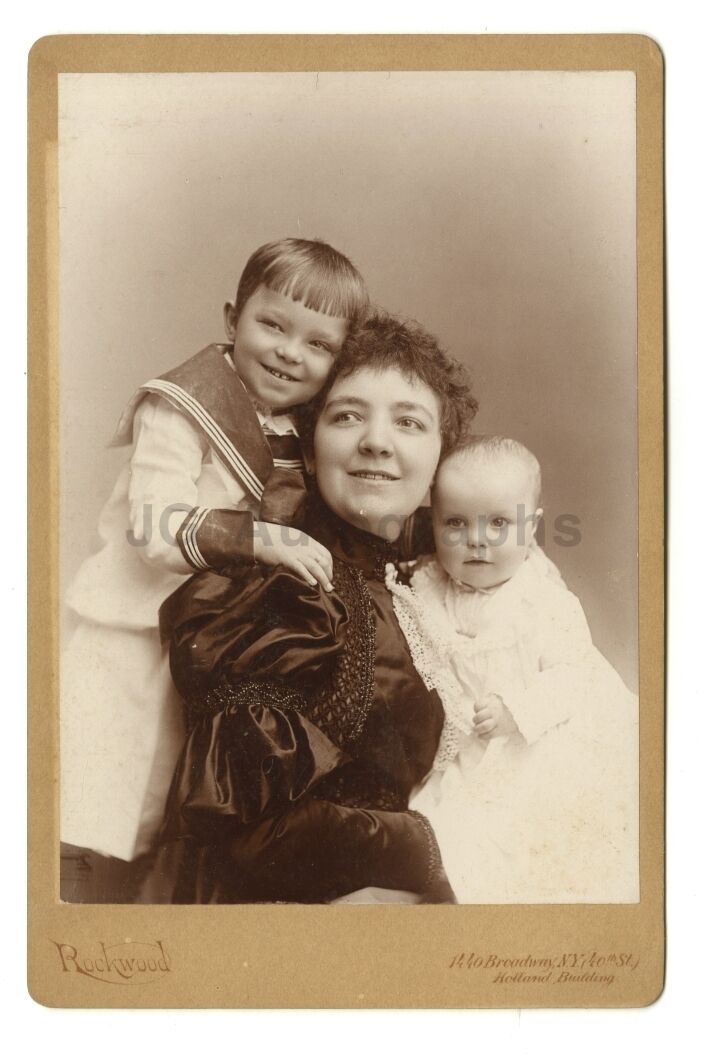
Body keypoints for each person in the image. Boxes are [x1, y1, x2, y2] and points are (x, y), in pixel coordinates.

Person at [60, 238, 369, 900]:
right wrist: (258, 540)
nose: (290, 351)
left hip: (207, 653)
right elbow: (152, 525)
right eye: (273, 325)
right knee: (91, 816)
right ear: (233, 318)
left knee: (160, 825)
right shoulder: (182, 404)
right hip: (133, 638)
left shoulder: (298, 429)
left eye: (318, 344)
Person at [140, 313, 477, 904]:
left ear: (438, 470)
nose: (376, 440)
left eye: (409, 421)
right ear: (311, 453)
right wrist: (437, 849)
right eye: (347, 415)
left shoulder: (431, 585)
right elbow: (242, 831)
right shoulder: (288, 593)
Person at [387, 435, 639, 903]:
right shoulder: (427, 583)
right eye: (456, 523)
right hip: (466, 745)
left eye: (499, 523)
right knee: (449, 830)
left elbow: (576, 673)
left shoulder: (541, 601)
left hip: (534, 736)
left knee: (541, 825)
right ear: (433, 523)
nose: (477, 539)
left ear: (533, 528)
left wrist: (515, 709)